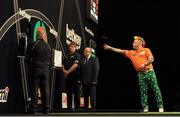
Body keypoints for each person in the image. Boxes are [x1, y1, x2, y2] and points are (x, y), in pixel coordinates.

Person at [103, 36, 164, 112]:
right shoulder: (131, 53)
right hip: (141, 74)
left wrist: (144, 64)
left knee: (156, 89)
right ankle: (145, 108)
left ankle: (160, 106)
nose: (133, 43)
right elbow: (120, 51)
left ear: (140, 43)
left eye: (134, 42)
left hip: (150, 72)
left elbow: (151, 59)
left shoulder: (146, 50)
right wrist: (110, 48)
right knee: (143, 92)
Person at [27, 26, 51, 114]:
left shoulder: (32, 44)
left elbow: (27, 58)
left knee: (34, 89)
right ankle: (46, 109)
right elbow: (49, 59)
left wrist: (31, 65)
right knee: (45, 90)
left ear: (36, 35)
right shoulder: (48, 46)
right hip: (46, 71)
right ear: (43, 35)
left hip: (35, 70)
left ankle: (33, 109)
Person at [62, 42, 81, 111]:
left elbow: (75, 65)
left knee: (76, 94)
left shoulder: (77, 55)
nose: (71, 47)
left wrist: (67, 72)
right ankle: (69, 108)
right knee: (69, 93)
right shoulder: (66, 56)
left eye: (72, 46)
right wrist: (64, 70)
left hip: (75, 77)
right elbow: (63, 65)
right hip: (68, 78)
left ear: (75, 48)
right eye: (70, 46)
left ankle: (77, 108)